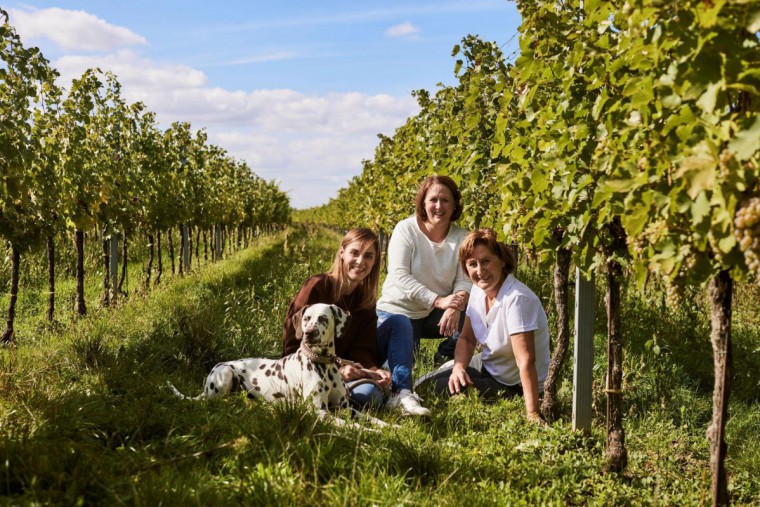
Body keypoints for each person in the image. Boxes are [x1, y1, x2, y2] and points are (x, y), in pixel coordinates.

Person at [414, 228, 550, 424]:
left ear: (502, 261)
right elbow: (467, 339)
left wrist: (532, 413)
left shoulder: (517, 299)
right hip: (489, 368)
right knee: (421, 386)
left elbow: (525, 361)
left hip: (514, 385)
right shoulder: (478, 290)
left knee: (436, 390)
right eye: (472, 264)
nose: (480, 271)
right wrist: (459, 368)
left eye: (486, 261)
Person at [376, 175, 472, 416]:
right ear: (423, 203)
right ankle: (400, 395)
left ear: (455, 205)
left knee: (474, 312)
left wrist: (455, 305)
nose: (439, 206)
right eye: (433, 200)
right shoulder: (406, 229)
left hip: (433, 314)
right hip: (399, 314)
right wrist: (439, 300)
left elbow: (465, 279)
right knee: (401, 367)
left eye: (445, 200)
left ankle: (446, 358)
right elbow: (400, 276)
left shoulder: (462, 236)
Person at [283, 228, 392, 409]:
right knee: (366, 398)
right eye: (355, 253)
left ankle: (400, 391)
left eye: (368, 256)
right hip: (309, 372)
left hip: (350, 373)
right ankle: (332, 400)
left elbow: (362, 349)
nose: (360, 261)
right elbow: (292, 345)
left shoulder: (366, 300)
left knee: (370, 396)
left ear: (375, 262)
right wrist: (337, 371)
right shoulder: (317, 286)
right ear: (342, 253)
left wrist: (373, 371)